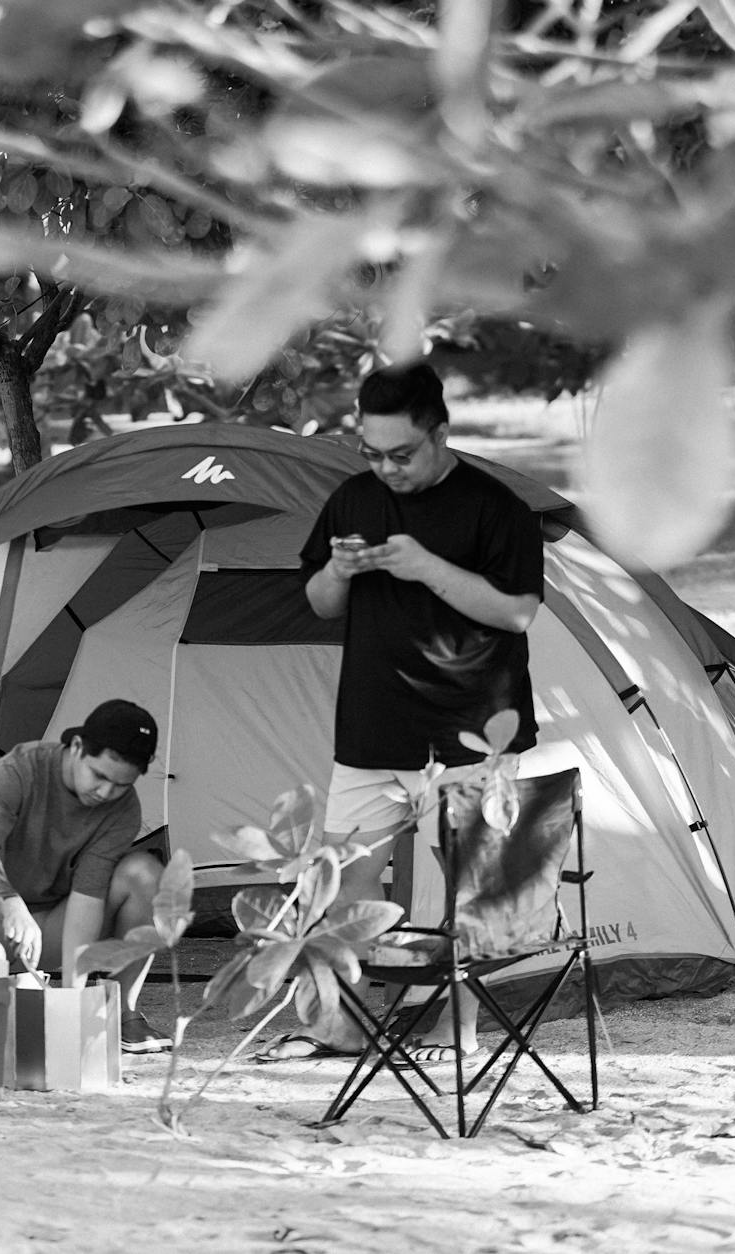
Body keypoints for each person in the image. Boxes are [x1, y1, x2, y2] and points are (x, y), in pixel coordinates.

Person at [255, 358, 543, 1063]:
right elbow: (319, 603)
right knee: (346, 877)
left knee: (469, 885)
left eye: (402, 454)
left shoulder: (494, 506)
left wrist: (425, 567)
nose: (386, 469)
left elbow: (517, 611)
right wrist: (339, 571)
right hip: (371, 728)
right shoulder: (353, 500)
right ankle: (343, 1022)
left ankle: (456, 1025)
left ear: (440, 434)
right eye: (372, 454)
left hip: (473, 729)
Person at [0, 699, 172, 1054]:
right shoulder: (22, 768)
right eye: (99, 776)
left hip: (54, 924)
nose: (106, 793)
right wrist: (10, 903)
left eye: (120, 784)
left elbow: (87, 900)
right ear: (78, 748)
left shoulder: (123, 807)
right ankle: (0, 1012)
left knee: (147, 875)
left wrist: (72, 1001)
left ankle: (120, 1014)